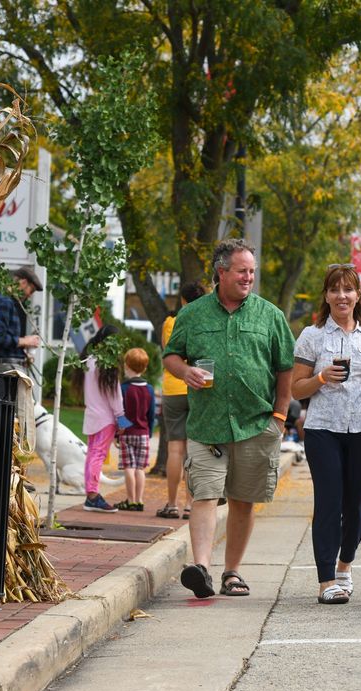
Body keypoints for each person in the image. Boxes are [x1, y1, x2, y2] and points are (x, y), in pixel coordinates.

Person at [163, 238, 295, 599]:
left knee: (242, 500)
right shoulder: (193, 314)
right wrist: (185, 371)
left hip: (256, 423)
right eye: (242, 270)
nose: (248, 277)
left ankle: (232, 572)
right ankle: (202, 568)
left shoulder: (271, 316)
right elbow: (171, 355)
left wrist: (280, 416)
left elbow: (285, 369)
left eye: (252, 271)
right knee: (204, 495)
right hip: (207, 424)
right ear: (221, 272)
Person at [291, 265, 361, 604]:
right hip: (324, 429)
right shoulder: (312, 335)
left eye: (348, 289)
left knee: (358, 504)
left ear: (357, 295)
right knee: (329, 502)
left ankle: (345, 565)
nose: (342, 296)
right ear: (326, 295)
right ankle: (325, 582)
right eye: (335, 290)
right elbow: (296, 389)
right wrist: (321, 378)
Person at [156, 281, 208, 520]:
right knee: (194, 450)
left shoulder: (170, 323)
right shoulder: (206, 322)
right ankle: (190, 504)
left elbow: (169, 352)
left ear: (183, 300)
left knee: (175, 449)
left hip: (173, 387)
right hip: (199, 386)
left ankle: (171, 503)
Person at [81, 325, 123, 514]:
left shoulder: (89, 361)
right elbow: (115, 395)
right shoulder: (108, 365)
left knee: (92, 454)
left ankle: (91, 494)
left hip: (92, 415)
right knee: (97, 456)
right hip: (106, 418)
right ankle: (92, 495)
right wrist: (121, 418)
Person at [117, 348, 156, 511]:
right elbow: (151, 413)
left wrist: (118, 433)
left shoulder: (124, 388)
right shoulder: (149, 389)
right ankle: (139, 500)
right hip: (143, 433)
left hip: (127, 433)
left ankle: (130, 500)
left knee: (129, 467)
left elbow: (120, 411)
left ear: (126, 365)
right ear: (144, 368)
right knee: (140, 468)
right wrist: (150, 432)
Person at [0, 267, 43, 371]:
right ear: (24, 283)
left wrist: (23, 354)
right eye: (32, 290)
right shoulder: (4, 302)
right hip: (8, 367)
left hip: (9, 366)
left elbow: (3, 342)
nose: (30, 295)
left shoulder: (7, 302)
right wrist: (25, 341)